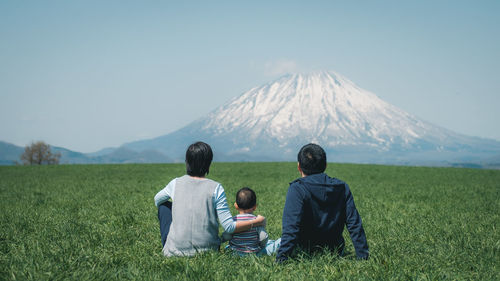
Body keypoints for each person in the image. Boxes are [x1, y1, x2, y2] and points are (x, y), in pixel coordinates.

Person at [154, 141, 266, 257]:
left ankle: (172, 244)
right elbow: (229, 226)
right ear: (208, 163)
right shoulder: (216, 188)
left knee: (164, 206)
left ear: (187, 161)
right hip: (209, 251)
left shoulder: (176, 183)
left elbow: (157, 200)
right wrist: (256, 222)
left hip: (175, 252)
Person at [276, 143, 369, 262]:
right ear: (325, 165)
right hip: (335, 251)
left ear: (299, 167)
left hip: (304, 251)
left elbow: (291, 228)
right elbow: (354, 224)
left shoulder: (297, 189)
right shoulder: (341, 187)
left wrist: (281, 260)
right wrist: (363, 257)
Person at [221, 187, 281, 256]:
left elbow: (226, 236)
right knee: (271, 243)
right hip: (253, 253)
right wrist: (261, 246)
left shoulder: (233, 221)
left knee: (228, 247)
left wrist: (222, 239)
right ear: (255, 207)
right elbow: (263, 237)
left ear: (236, 206)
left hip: (235, 253)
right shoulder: (257, 221)